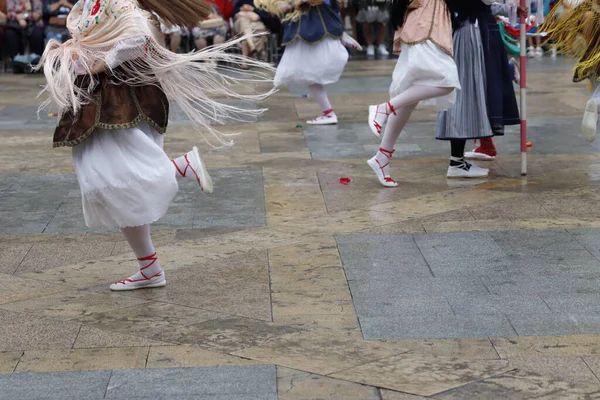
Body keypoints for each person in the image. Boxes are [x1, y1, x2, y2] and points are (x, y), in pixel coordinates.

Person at [36, 0, 274, 291]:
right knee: (112, 186)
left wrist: (103, 61)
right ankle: (150, 267)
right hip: (103, 95)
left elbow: (139, 39)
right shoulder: (89, 4)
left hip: (119, 97)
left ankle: (175, 175)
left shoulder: (116, 2)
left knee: (111, 179)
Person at [366, 0, 460, 187]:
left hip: (429, 25)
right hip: (425, 28)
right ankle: (383, 109)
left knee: (408, 97)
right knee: (447, 81)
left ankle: (382, 157)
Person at [436, 0, 525, 177]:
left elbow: (484, 4)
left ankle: (461, 158)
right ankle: (456, 161)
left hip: (471, 31)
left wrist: (510, 9)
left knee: (472, 91)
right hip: (471, 34)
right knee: (467, 92)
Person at [256, 0, 349, 125]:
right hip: (306, 28)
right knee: (309, 75)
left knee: (310, 74)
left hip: (315, 28)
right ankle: (328, 113)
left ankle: (329, 113)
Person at [542, 0, 600, 141]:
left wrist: (570, 46)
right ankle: (597, 102)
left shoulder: (587, 12)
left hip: (590, 58)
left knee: (596, 87)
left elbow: (571, 17)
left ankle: (595, 104)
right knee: (597, 95)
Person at [233, 0, 269, 68]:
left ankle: (244, 61)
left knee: (246, 37)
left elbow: (266, 16)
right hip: (241, 25)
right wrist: (242, 9)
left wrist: (253, 9)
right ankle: (254, 48)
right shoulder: (240, 2)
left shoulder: (260, 2)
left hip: (254, 26)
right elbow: (234, 13)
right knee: (243, 22)